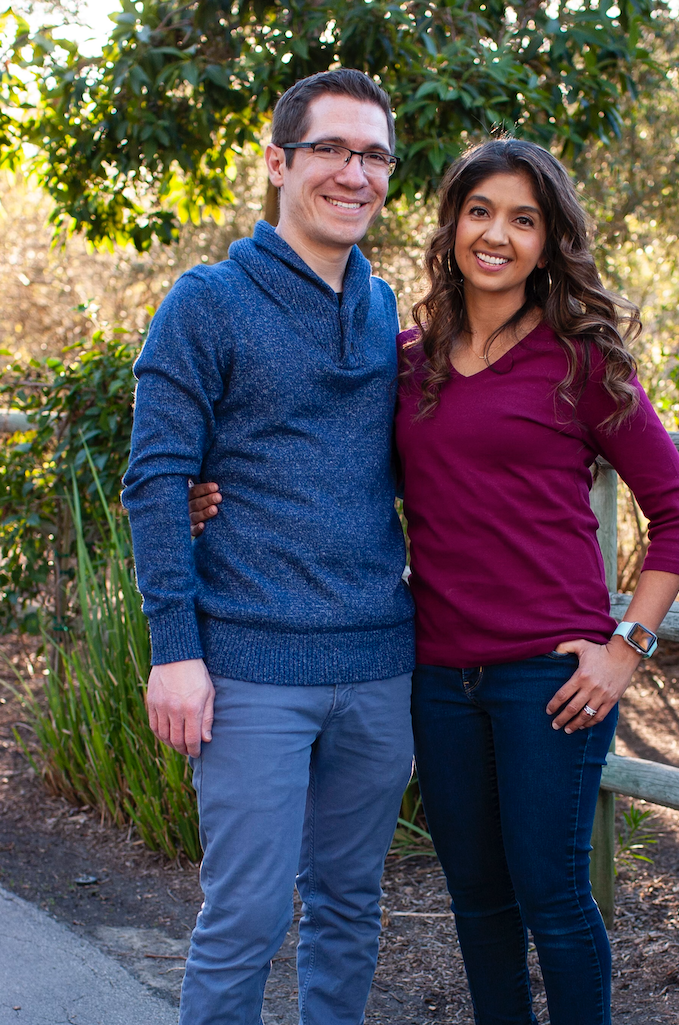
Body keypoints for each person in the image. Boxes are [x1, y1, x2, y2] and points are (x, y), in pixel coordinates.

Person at [191, 139, 679, 1024]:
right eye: (480, 212)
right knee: (476, 896)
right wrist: (211, 492)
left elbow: (678, 513)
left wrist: (627, 649)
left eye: (522, 219)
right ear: (452, 223)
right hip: (436, 673)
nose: (496, 235)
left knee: (552, 895)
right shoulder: (408, 358)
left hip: (555, 676)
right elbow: (317, 449)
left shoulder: (582, 362)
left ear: (549, 242)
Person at [122, 70, 415, 1025]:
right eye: (331, 148)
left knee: (347, 907)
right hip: (249, 664)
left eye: (373, 154)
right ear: (279, 161)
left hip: (379, 660)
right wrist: (176, 647)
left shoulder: (388, 314)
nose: (353, 172)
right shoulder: (205, 302)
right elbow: (157, 479)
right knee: (244, 916)